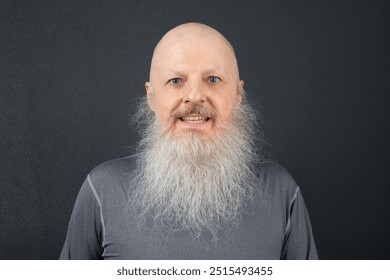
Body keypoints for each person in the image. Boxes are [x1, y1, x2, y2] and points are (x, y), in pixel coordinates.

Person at [60, 22, 318, 259]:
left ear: (238, 94)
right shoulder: (103, 189)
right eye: (176, 81)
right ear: (152, 96)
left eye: (213, 80)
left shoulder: (281, 191)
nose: (194, 96)